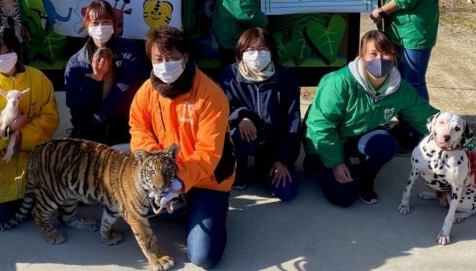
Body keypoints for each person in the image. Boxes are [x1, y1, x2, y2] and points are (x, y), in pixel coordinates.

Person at [130, 26, 235, 269]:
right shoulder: (146, 92)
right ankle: (180, 207)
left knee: (203, 257)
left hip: (208, 179)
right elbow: (138, 128)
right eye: (159, 59)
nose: (165, 64)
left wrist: (177, 183)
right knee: (129, 212)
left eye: (172, 57)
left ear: (185, 57)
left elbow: (208, 154)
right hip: (165, 176)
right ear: (151, 60)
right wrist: (157, 170)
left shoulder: (210, 95)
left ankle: (207, 209)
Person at [303, 30, 438, 207]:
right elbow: (320, 126)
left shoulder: (399, 88)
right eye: (373, 54)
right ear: (361, 56)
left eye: (386, 53)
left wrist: (462, 139)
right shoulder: (339, 82)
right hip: (328, 141)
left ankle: (365, 176)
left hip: (358, 136)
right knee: (344, 197)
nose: (380, 59)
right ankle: (320, 162)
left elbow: (426, 116)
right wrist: (335, 163)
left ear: (394, 56)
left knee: (386, 143)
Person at [0, 28, 59, 224]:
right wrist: (10, 129)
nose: (2, 58)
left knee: (43, 208)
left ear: (16, 49)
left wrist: (22, 136)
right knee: (2, 216)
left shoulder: (38, 79)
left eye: (6, 51)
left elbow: (50, 118)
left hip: (30, 156)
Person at [218, 28, 301, 201]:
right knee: (237, 135)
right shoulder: (230, 75)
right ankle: (238, 170)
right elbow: (221, 108)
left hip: (273, 145)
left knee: (286, 193)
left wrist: (283, 160)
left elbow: (293, 121)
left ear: (271, 52)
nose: (256, 54)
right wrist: (240, 116)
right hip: (244, 138)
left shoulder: (285, 76)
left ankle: (264, 165)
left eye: (263, 49)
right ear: (241, 52)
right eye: (250, 50)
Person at [65, 0, 147, 146]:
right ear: (87, 25)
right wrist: (95, 79)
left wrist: (101, 116)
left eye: (106, 22)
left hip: (124, 133)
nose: (101, 27)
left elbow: (128, 87)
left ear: (114, 24)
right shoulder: (76, 61)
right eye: (95, 23)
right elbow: (74, 102)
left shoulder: (129, 50)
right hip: (88, 138)